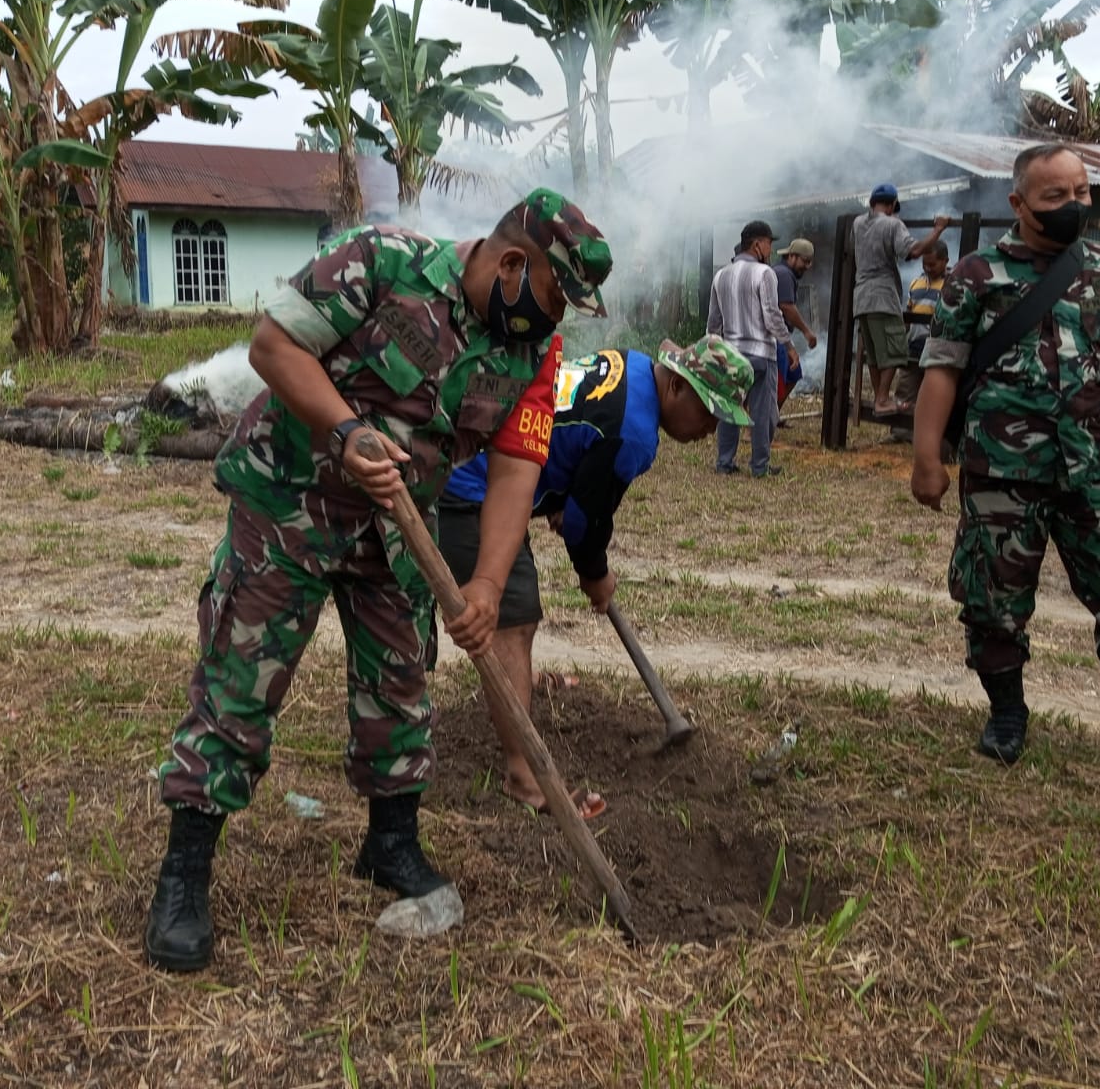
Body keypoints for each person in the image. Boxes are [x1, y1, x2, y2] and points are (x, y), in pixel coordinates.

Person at [143, 189, 614, 970]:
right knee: (241, 682)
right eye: (556, 294)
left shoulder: (531, 355)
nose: (558, 316)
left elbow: (516, 467)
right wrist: (347, 430)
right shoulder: (380, 262)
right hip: (289, 501)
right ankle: (185, 871)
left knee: (400, 686)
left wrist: (490, 585)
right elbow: (274, 347)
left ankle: (390, 845)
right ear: (509, 264)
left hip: (395, 532)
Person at [909, 143, 1100, 773]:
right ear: (1018, 203)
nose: (1074, 205)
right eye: (1055, 196)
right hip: (1001, 471)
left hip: (1094, 465)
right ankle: (1007, 715)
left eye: (1082, 192)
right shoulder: (975, 277)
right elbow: (942, 370)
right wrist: (926, 456)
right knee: (993, 599)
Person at [438, 336, 755, 815]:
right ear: (675, 386)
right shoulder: (634, 434)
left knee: (515, 614)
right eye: (709, 413)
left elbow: (576, 437)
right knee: (510, 619)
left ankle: (517, 693)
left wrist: (567, 493)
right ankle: (524, 775)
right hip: (474, 480)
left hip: (496, 459)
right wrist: (595, 573)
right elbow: (585, 526)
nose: (710, 430)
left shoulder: (631, 365)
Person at [850, 185, 949, 415]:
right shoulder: (893, 224)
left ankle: (879, 400)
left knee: (874, 355)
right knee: (896, 350)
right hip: (883, 296)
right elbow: (913, 251)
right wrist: (938, 230)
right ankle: (883, 399)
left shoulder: (857, 223)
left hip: (861, 297)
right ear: (893, 204)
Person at [709, 220, 795, 477]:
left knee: (729, 409)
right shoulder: (764, 273)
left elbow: (713, 323)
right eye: (769, 243)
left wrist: (716, 353)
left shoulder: (721, 275)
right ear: (757, 244)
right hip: (761, 354)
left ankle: (724, 462)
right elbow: (772, 315)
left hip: (731, 354)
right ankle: (760, 466)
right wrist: (789, 345)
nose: (770, 250)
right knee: (764, 412)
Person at [893, 239, 950, 411]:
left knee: (933, 392)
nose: (927, 268)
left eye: (932, 264)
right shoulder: (916, 283)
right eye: (925, 264)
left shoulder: (951, 285)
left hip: (937, 346)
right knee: (906, 386)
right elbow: (909, 316)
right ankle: (901, 431)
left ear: (945, 261)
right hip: (915, 343)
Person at [772, 238, 819, 406]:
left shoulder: (784, 273)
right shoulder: (784, 274)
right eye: (804, 261)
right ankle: (766, 418)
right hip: (775, 337)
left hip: (782, 337)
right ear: (791, 256)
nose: (807, 266)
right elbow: (786, 306)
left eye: (809, 262)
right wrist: (807, 331)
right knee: (775, 383)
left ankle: (773, 415)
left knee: (793, 374)